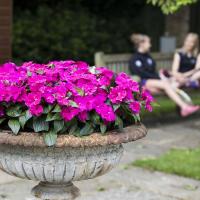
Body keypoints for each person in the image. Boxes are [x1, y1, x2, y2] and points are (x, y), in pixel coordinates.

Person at [129, 33, 199, 117]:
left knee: (168, 84)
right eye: (148, 42)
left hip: (153, 82)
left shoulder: (148, 57)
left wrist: (161, 77)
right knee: (166, 84)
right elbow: (140, 74)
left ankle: (185, 105)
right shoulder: (135, 58)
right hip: (143, 81)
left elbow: (153, 72)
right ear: (141, 44)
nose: (150, 45)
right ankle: (184, 107)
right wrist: (160, 79)